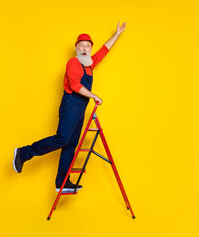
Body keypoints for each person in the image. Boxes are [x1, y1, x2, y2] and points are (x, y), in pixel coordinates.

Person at [13, 22, 127, 192]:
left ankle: (62, 182)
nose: (85, 48)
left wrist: (117, 34)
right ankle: (23, 153)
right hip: (71, 103)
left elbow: (104, 50)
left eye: (88, 46)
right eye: (81, 45)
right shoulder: (74, 62)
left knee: (71, 144)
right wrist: (94, 95)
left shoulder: (90, 64)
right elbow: (74, 85)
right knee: (62, 139)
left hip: (80, 107)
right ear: (76, 48)